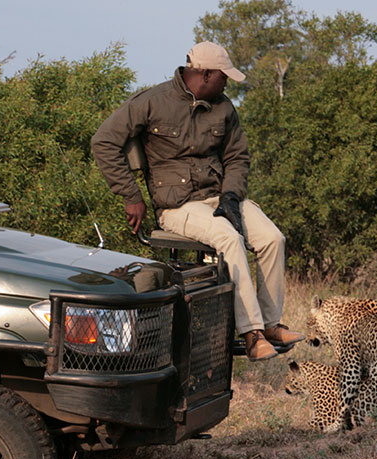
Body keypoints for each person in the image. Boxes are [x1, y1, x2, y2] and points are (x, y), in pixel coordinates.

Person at [91, 41, 304, 361]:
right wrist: (131, 195)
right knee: (230, 240)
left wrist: (232, 197)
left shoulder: (224, 107)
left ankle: (271, 324)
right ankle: (251, 334)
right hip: (178, 207)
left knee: (273, 238)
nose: (228, 82)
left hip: (220, 198)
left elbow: (237, 158)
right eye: (224, 76)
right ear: (204, 74)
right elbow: (103, 141)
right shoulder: (151, 102)